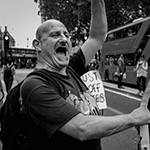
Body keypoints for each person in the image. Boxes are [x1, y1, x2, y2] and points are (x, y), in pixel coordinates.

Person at [19, 0, 150, 150]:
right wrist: (133, 118)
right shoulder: (35, 85)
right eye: (55, 35)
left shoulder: (72, 67)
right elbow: (82, 128)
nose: (64, 39)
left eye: (67, 35)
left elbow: (97, 36)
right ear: (37, 45)